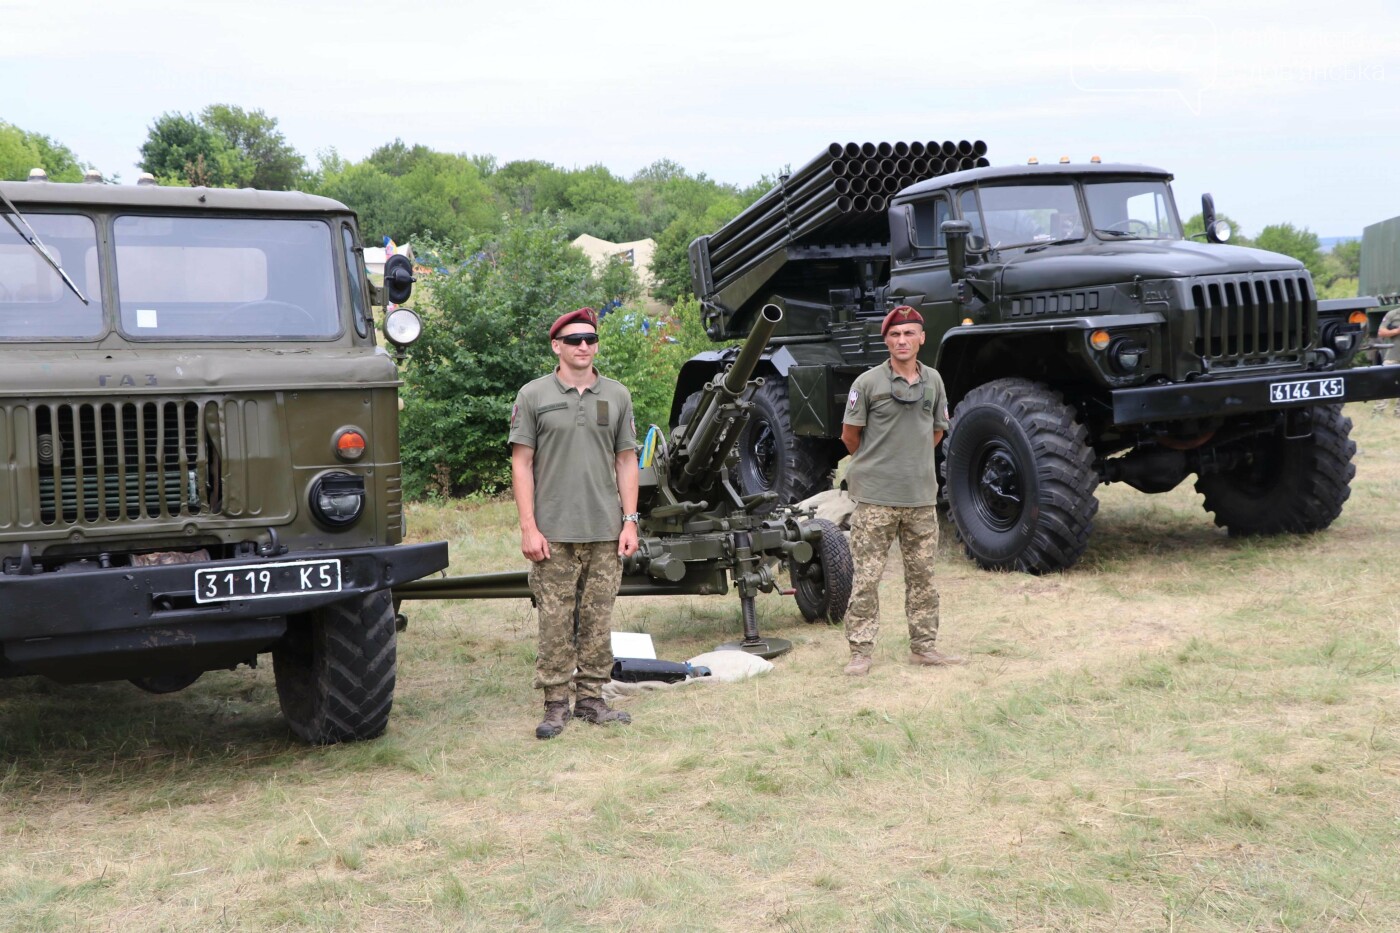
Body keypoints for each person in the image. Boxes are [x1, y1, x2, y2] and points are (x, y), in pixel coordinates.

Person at [509, 307, 640, 738]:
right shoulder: (533, 395)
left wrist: (629, 522)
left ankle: (591, 699)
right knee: (555, 621)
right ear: (557, 346)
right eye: (573, 339)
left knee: (598, 619)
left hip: (605, 530)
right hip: (554, 532)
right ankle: (554, 704)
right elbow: (522, 463)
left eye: (590, 338)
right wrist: (529, 526)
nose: (583, 345)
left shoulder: (617, 395)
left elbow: (626, 462)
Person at [839, 305, 966, 676]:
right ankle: (860, 652)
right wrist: (885, 462)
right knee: (867, 579)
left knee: (923, 578)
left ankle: (924, 648)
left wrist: (908, 460)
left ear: (922, 338)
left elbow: (937, 431)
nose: (902, 340)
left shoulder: (935, 381)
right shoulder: (867, 384)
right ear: (886, 341)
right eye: (895, 335)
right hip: (875, 499)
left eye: (909, 333)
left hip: (920, 498)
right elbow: (850, 438)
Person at [1373, 307, 1400, 415]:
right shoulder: (1393, 314)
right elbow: (1381, 332)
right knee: (1385, 382)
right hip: (1393, 355)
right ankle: (1378, 412)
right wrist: (1397, 330)